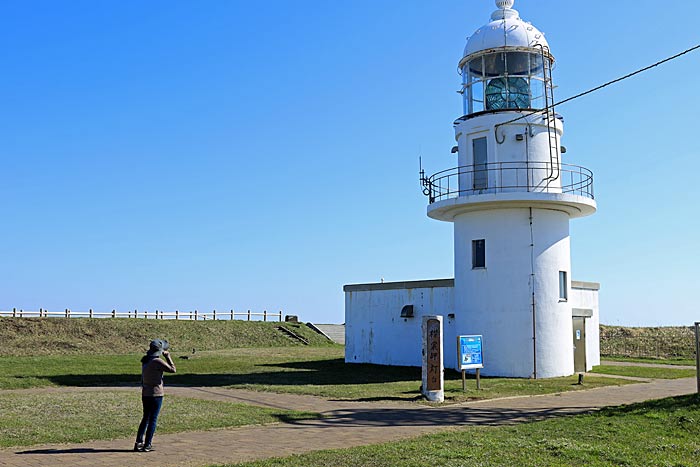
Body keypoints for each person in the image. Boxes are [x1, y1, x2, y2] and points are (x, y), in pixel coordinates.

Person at [134, 338, 176, 452]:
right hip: (156, 394)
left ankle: (139, 442)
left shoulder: (146, 360)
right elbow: (173, 369)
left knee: (145, 418)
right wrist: (168, 357)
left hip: (146, 392)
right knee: (153, 419)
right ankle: (147, 444)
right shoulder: (157, 361)